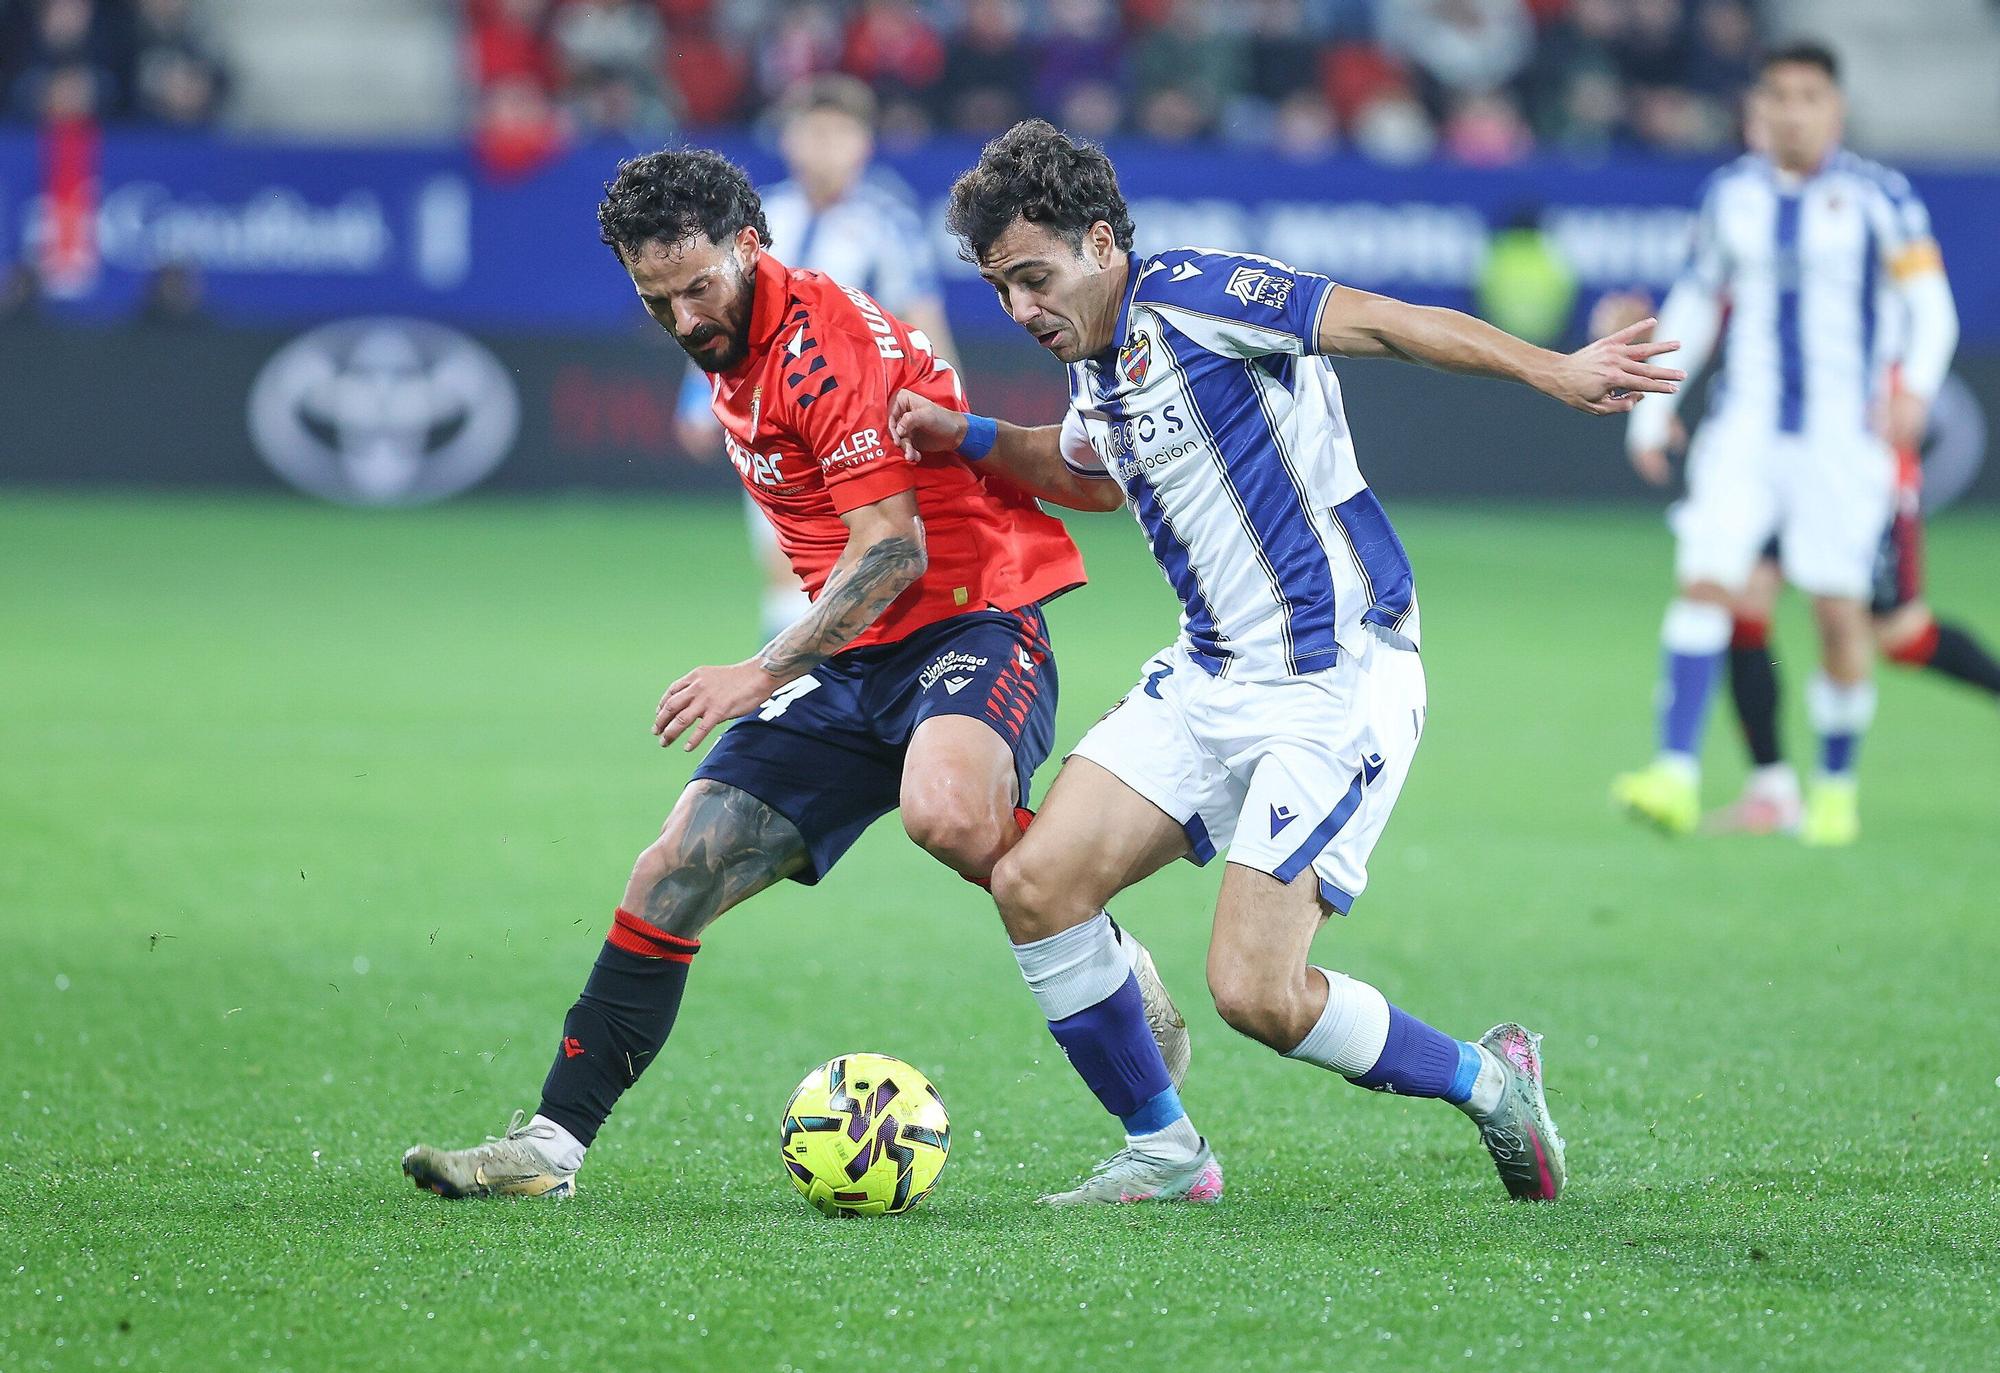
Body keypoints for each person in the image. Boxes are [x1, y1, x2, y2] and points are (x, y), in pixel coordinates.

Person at [889, 120, 1681, 1205]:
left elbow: (1382, 323)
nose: (1020, 309)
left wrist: (1551, 367)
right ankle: (1167, 1155)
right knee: (1036, 884)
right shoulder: (1098, 361)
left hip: (1333, 677)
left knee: (1254, 992)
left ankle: (1490, 1081)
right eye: (999, 290)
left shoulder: (1196, 295)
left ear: (1101, 241)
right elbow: (1084, 473)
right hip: (1208, 676)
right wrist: (963, 432)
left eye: (1032, 277)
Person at [401, 148, 1185, 1200]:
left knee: (949, 814)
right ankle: (549, 1145)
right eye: (656, 300)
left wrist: (754, 670)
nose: (682, 319)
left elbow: (894, 550)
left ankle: (1130, 1033)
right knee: (671, 869)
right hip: (854, 653)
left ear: (749, 248)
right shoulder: (731, 342)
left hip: (970, 616)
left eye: (698, 289)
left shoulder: (818, 344)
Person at [1611, 43, 1960, 846]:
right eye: (1777, 95)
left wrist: (1915, 388)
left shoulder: (1881, 198)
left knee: (1841, 614)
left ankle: (1834, 788)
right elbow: (1696, 300)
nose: (1791, 110)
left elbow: (1930, 307)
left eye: (1808, 96)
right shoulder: (1729, 195)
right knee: (1706, 582)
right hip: (1744, 431)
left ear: (1833, 110)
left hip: (1843, 441)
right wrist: (1653, 404)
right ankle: (1675, 772)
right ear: (1756, 109)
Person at [675, 75, 957, 644]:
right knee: (786, 567)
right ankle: (794, 700)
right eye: (812, 132)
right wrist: (695, 399)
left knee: (866, 556)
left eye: (838, 133)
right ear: (789, 141)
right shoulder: (759, 220)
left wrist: (951, 412)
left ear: (863, 144)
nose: (824, 146)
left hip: (860, 425)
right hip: (771, 422)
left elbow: (924, 324)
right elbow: (721, 316)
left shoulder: (887, 225)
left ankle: (811, 691)